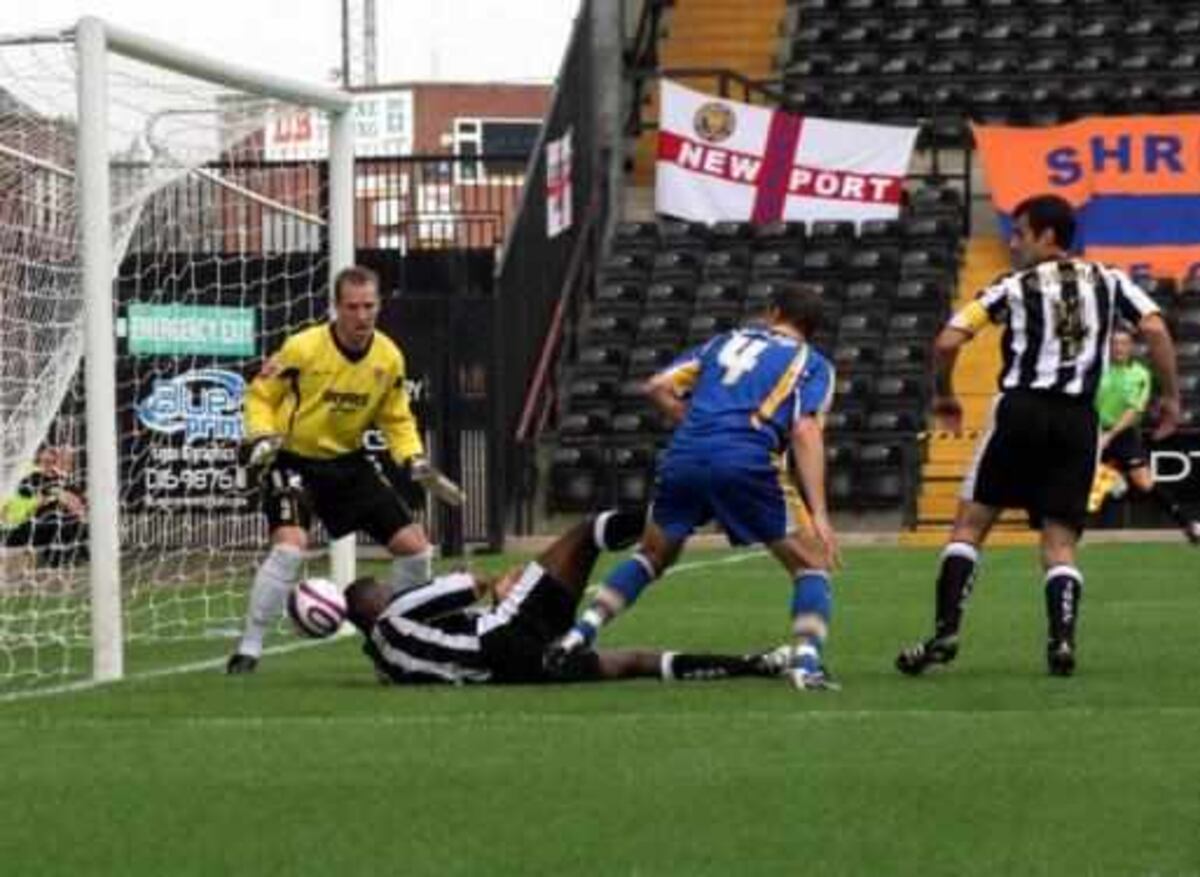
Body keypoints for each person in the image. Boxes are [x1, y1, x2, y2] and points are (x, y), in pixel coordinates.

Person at [896, 194, 1182, 678]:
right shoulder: (1111, 280)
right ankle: (1062, 643)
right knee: (1059, 544)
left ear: (1047, 236)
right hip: (1077, 421)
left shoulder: (1012, 285)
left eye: (1019, 233)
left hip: (1021, 409)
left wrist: (944, 393)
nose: (1012, 242)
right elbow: (1155, 330)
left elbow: (947, 340)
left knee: (969, 526)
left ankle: (946, 630)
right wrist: (1171, 397)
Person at [547, 283, 841, 691]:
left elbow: (656, 387)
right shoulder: (813, 363)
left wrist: (694, 422)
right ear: (813, 327)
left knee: (651, 556)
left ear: (773, 312)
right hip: (748, 459)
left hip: (685, 454)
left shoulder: (724, 341)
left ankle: (580, 634)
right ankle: (806, 664)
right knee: (812, 564)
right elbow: (805, 429)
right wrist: (821, 515)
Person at [227, 265, 434, 674]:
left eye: (369, 306)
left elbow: (396, 418)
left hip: (348, 463)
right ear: (336, 308)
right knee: (289, 547)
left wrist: (412, 456)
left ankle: (398, 642)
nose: (362, 316)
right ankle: (248, 649)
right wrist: (261, 436)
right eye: (352, 307)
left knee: (416, 549)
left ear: (379, 306)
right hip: (293, 460)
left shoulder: (389, 357)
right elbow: (260, 395)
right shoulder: (303, 348)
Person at [345, 509, 787, 685]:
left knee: (633, 663)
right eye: (386, 588)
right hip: (503, 634)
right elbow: (467, 584)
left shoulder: (386, 662)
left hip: (509, 672)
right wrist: (493, 585)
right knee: (584, 534)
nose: (394, 589)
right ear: (379, 602)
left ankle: (754, 664)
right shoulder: (397, 611)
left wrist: (493, 603)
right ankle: (682, 510)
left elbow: (450, 649)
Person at [1094, 327, 1200, 544]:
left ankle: (1188, 524)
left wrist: (1109, 436)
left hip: (1122, 433)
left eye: (1124, 343)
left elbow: (1134, 411)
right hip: (1092, 430)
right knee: (1077, 481)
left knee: (1144, 483)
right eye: (1115, 343)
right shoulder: (1096, 370)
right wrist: (1095, 432)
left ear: (1131, 347)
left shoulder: (1140, 374)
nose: (1119, 348)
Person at [2, 446, 87, 568]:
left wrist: (77, 501)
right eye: (51, 452)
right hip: (12, 529)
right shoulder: (29, 474)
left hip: (27, 527)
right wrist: (53, 496)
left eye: (55, 454)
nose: (53, 457)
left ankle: (74, 556)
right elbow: (32, 489)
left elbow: (73, 496)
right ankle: (60, 560)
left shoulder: (57, 479)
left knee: (65, 516)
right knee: (54, 514)